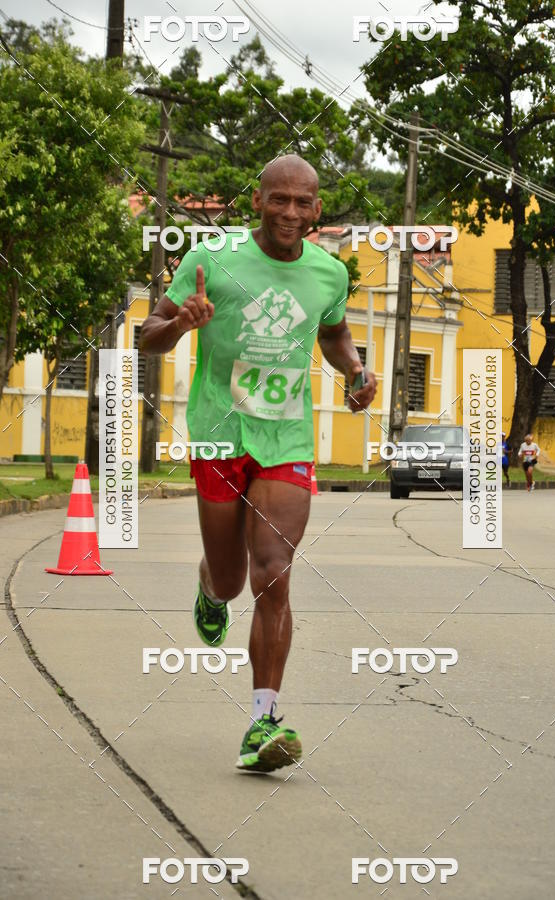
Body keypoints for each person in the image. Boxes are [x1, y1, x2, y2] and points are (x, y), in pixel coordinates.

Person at [139, 155, 377, 772]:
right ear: (258, 201)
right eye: (279, 200)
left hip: (286, 441)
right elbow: (149, 333)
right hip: (219, 433)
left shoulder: (329, 273)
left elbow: (331, 333)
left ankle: (262, 722)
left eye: (303, 203)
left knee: (273, 569)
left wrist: (353, 369)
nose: (291, 213)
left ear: (318, 210)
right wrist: (180, 325)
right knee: (231, 578)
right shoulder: (209, 261)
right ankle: (210, 589)